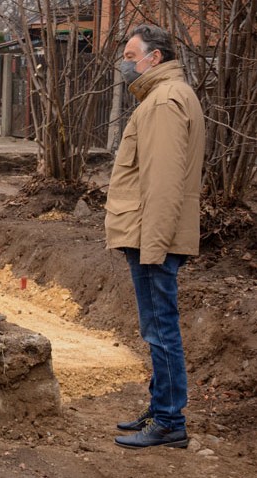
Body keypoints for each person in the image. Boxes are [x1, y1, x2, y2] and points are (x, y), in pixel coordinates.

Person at [105, 24, 205, 449]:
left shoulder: (164, 102)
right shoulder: (161, 98)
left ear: (155, 58)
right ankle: (160, 406)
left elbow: (163, 183)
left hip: (152, 236)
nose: (125, 63)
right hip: (147, 232)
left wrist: (155, 245)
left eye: (131, 55)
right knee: (156, 328)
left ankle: (169, 420)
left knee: (160, 330)